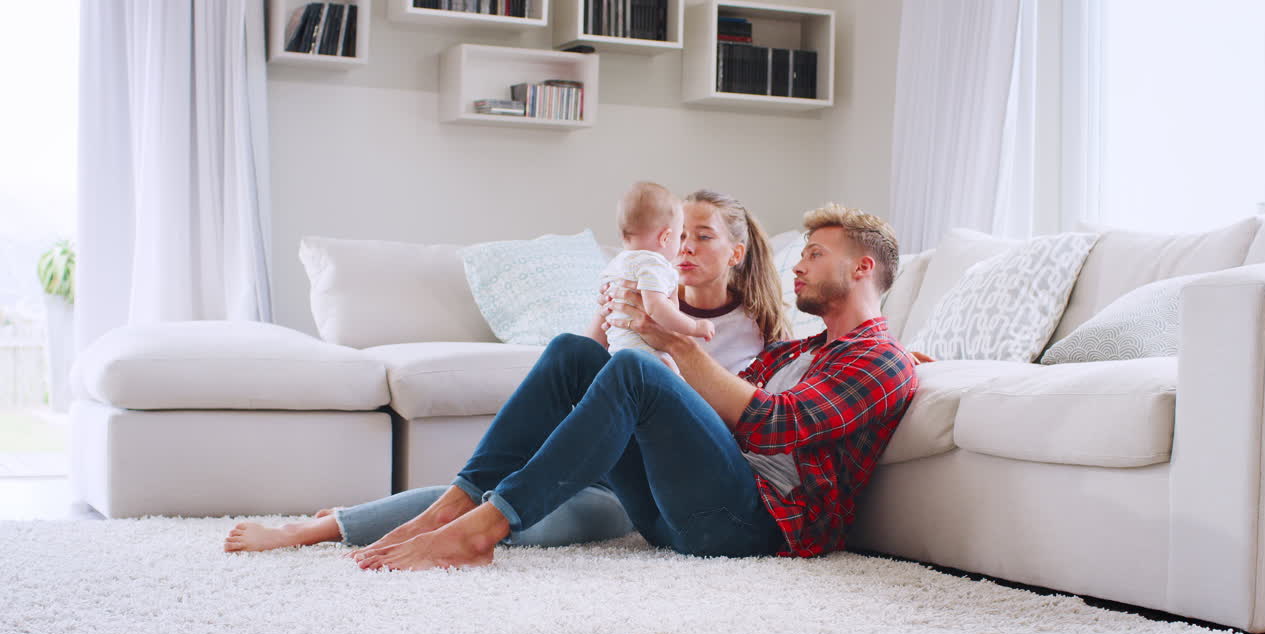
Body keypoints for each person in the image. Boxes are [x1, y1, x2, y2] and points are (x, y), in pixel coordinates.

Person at [331, 202, 917, 569]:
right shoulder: (802, 351)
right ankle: (455, 508)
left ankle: (485, 527)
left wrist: (672, 344)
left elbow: (775, 422)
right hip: (678, 513)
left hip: (752, 526)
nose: (797, 265)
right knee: (575, 354)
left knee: (636, 370)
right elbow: (709, 410)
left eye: (814, 254)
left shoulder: (881, 360)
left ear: (863, 268)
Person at [223, 188, 790, 555]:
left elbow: (753, 430)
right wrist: (605, 313)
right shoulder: (649, 293)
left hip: (685, 487)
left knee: (526, 510)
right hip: (621, 472)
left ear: (736, 254)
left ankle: (458, 523)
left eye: (703, 237)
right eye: (681, 235)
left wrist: (673, 348)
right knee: (566, 357)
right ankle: (326, 528)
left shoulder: (764, 328)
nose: (685, 248)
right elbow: (587, 374)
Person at [601, 182, 715, 371]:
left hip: (616, 353)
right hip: (645, 355)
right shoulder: (654, 264)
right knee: (675, 378)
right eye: (681, 236)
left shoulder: (616, 264)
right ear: (665, 237)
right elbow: (655, 307)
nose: (684, 246)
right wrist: (693, 328)